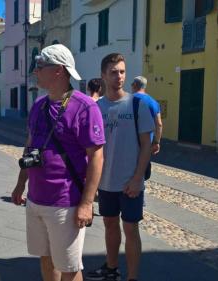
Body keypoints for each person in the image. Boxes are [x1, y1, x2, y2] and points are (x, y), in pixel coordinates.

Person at [12, 44, 105, 281]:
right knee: (45, 256)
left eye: (40, 66)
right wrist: (20, 184)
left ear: (58, 71)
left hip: (66, 202)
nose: (35, 71)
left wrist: (86, 203)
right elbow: (30, 147)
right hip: (36, 198)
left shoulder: (85, 107)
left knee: (70, 267)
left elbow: (97, 156)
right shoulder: (38, 106)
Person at [86, 54, 154, 281]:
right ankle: (111, 268)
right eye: (114, 72)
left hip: (130, 183)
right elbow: (91, 148)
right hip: (105, 182)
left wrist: (137, 179)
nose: (119, 76)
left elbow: (146, 146)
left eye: (122, 71)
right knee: (109, 225)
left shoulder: (137, 105)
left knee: (131, 229)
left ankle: (132, 277)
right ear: (104, 75)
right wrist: (91, 184)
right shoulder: (96, 108)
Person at [131, 76, 163, 154]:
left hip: (128, 143)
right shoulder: (153, 102)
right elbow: (159, 124)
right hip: (146, 144)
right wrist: (156, 142)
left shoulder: (127, 100)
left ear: (134, 85)